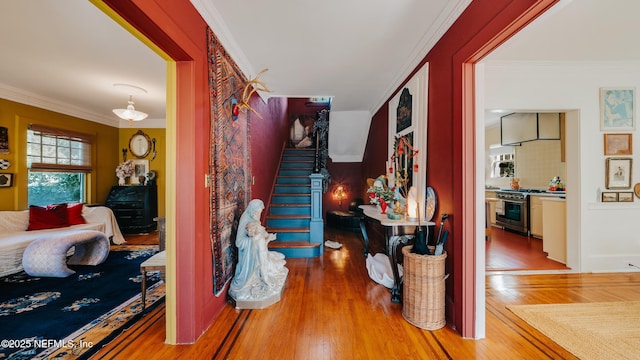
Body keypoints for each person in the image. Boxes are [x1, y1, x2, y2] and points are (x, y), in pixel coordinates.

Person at [229, 199, 288, 301]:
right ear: (253, 210)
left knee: (279, 259)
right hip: (251, 258)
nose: (259, 214)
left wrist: (266, 237)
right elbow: (239, 242)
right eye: (257, 212)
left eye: (260, 212)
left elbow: (261, 234)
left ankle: (271, 268)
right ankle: (263, 277)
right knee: (274, 265)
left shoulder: (253, 218)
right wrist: (255, 239)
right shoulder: (246, 220)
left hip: (260, 254)